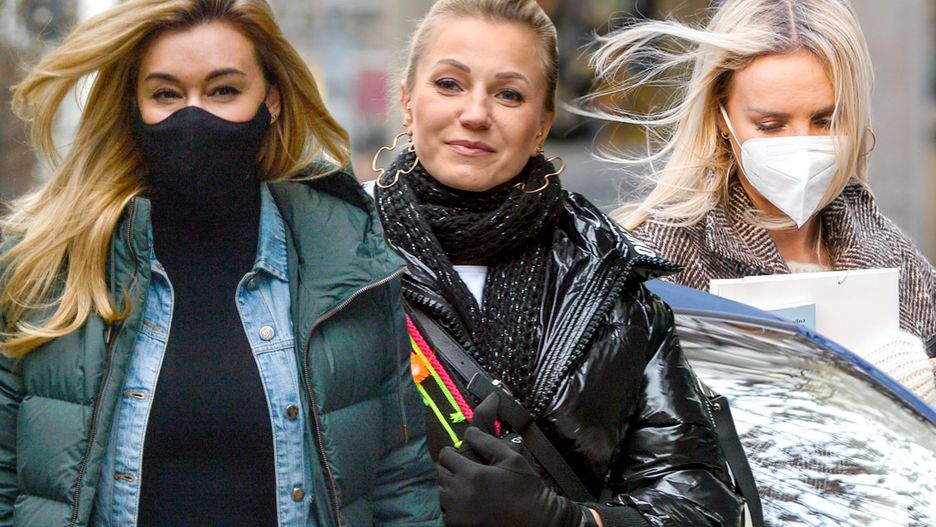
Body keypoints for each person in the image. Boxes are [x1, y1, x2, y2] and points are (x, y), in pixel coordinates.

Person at [0, 1, 441, 525]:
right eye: (166, 94)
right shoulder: (50, 266)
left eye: (224, 90)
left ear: (271, 100)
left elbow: (398, 482)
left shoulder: (345, 262)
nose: (194, 116)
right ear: (132, 106)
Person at [370, 1, 744, 526]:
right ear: (408, 102)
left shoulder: (612, 286)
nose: (475, 114)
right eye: (449, 84)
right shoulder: (335, 255)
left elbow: (702, 507)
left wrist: (563, 520)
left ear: (543, 124)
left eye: (509, 94)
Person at [586, 0, 936, 401]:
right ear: (721, 117)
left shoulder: (890, 251)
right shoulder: (659, 261)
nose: (801, 144)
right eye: (771, 125)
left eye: (825, 120)